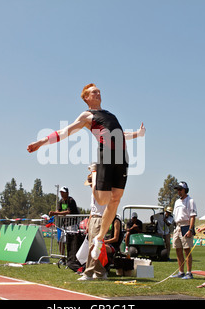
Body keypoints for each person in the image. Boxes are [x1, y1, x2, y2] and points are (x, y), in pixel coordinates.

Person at [27, 83, 145, 260]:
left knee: (115, 199)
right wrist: (41, 142)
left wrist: (138, 134)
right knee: (103, 199)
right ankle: (95, 177)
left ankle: (99, 238)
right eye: (93, 92)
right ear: (86, 98)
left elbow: (120, 135)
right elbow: (65, 131)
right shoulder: (87, 115)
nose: (98, 93)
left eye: (98, 91)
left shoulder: (110, 115)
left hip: (123, 158)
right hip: (106, 156)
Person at [78, 174, 108, 280]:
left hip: (100, 218)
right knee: (94, 246)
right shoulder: (93, 193)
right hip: (94, 219)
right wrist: (89, 223)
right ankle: (100, 272)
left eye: (91, 183)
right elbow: (92, 210)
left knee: (93, 246)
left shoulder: (101, 191)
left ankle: (89, 273)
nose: (90, 186)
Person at [171, 181, 197, 280]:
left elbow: (192, 216)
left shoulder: (190, 201)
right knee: (178, 250)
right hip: (177, 227)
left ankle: (189, 272)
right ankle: (181, 271)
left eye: (180, 189)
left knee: (187, 251)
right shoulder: (177, 202)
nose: (179, 192)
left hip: (186, 226)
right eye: (178, 190)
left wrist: (190, 229)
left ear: (185, 190)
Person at [49, 186, 79, 255]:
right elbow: (58, 210)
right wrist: (54, 213)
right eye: (61, 192)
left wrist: (55, 213)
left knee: (71, 242)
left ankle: (71, 258)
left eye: (63, 192)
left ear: (67, 193)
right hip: (64, 225)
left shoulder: (71, 200)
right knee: (60, 241)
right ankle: (63, 258)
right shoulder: (61, 201)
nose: (62, 194)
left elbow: (68, 212)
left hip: (72, 224)